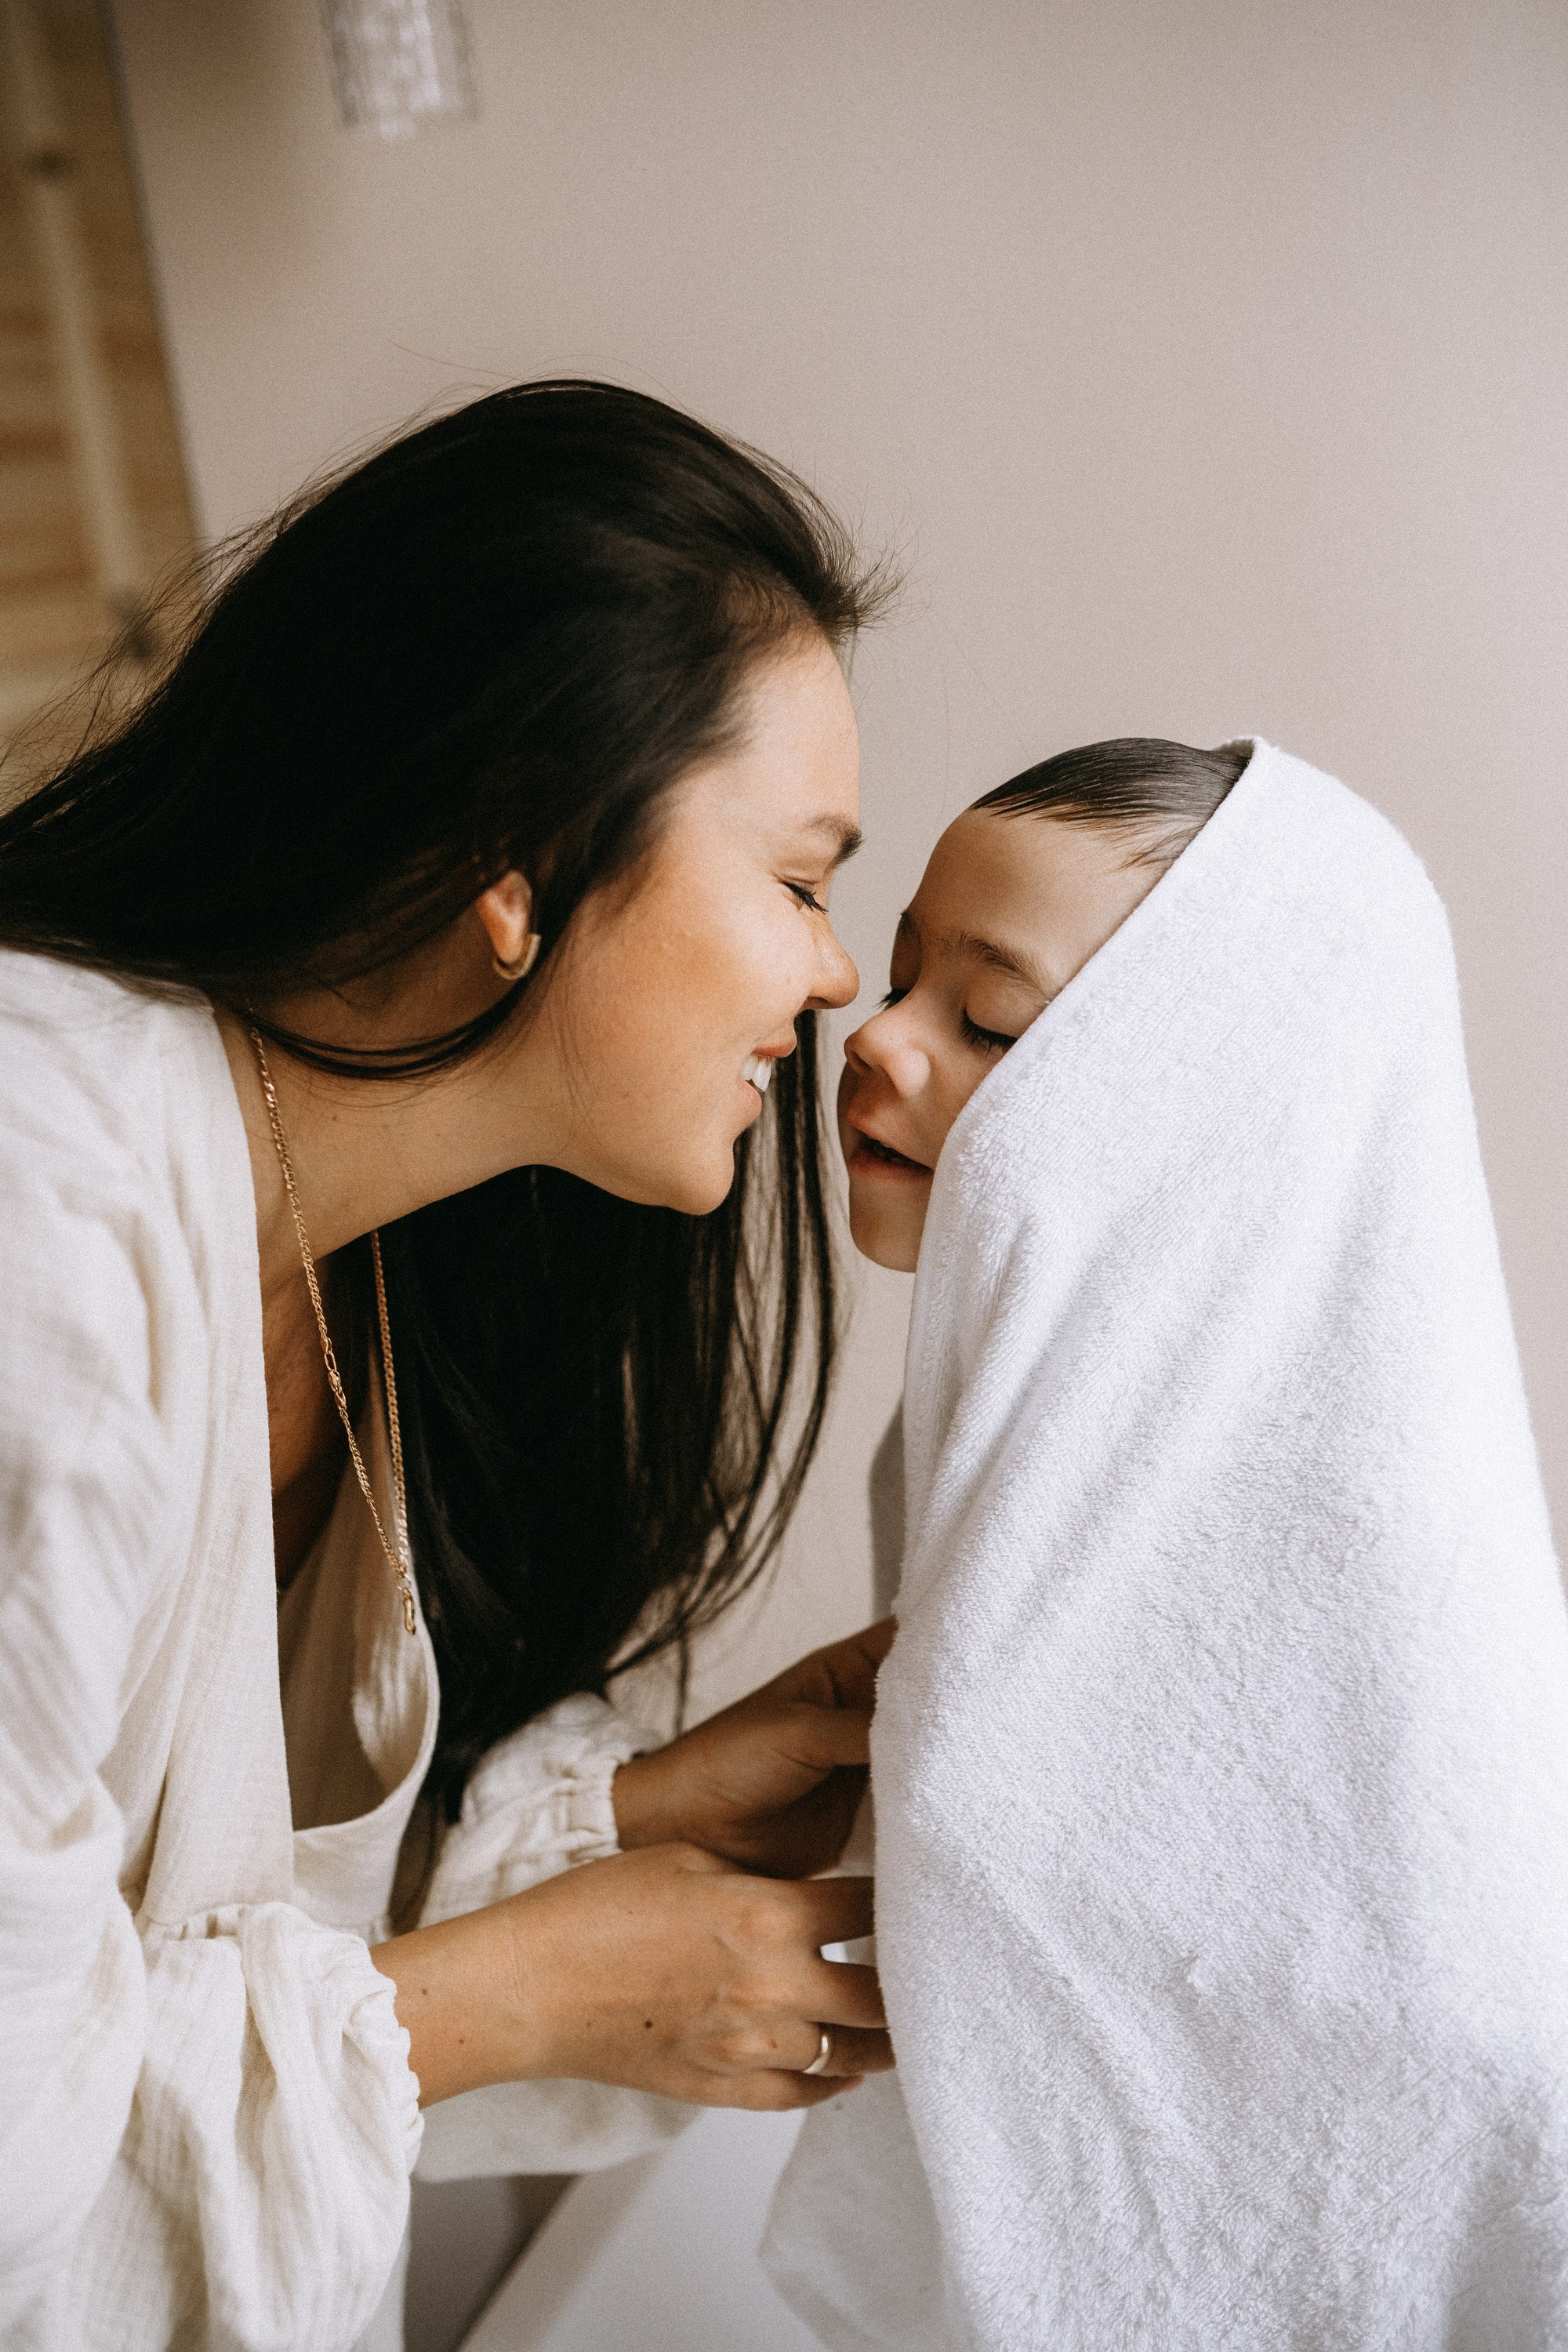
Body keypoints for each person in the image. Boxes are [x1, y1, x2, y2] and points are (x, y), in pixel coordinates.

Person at [0, 379, 898, 2352]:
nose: (838, 983)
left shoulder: (367, 1278)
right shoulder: (37, 1221)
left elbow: (161, 1957)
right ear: (521, 850)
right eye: (804, 879)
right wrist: (530, 1995)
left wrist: (641, 1814)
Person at [764, 738, 1568, 2350]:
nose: (878, 1035)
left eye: (988, 1020)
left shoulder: (1366, 1545)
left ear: (1200, 1116)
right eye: (906, 971)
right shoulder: (976, 1449)